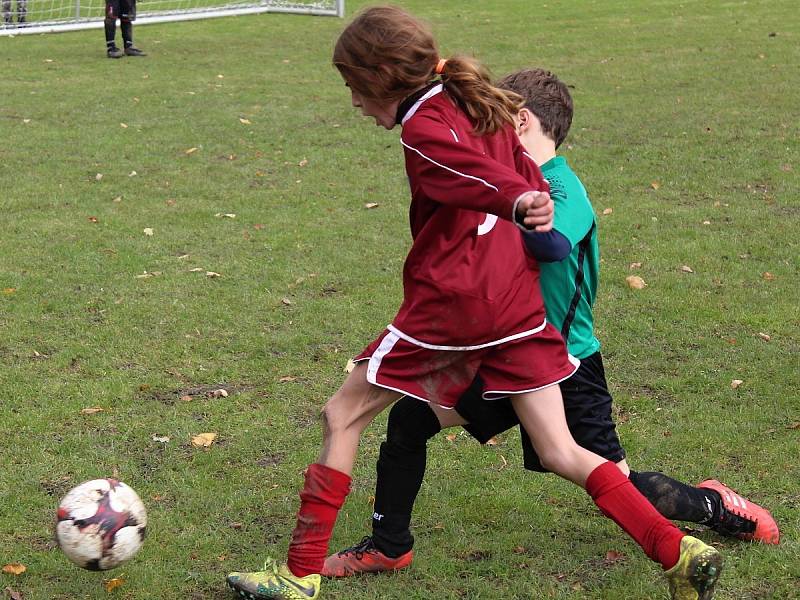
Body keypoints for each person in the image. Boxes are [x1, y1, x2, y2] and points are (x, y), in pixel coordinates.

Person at [226, 7, 723, 600]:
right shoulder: (472, 101)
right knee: (562, 449)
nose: (355, 103)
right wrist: (527, 201)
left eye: (354, 88)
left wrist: (515, 201)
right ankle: (677, 550)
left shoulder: (426, 124)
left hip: (454, 304)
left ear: (382, 76)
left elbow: (458, 170)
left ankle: (299, 573)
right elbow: (516, 171)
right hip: (514, 302)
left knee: (344, 415)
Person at [322, 67, 780, 580]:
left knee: (618, 481)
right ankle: (388, 546)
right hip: (499, 349)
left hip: (567, 364)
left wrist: (500, 207)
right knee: (408, 423)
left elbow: (547, 244)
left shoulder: (563, 192)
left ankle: (716, 508)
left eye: (492, 117)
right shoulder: (503, 179)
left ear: (519, 120)